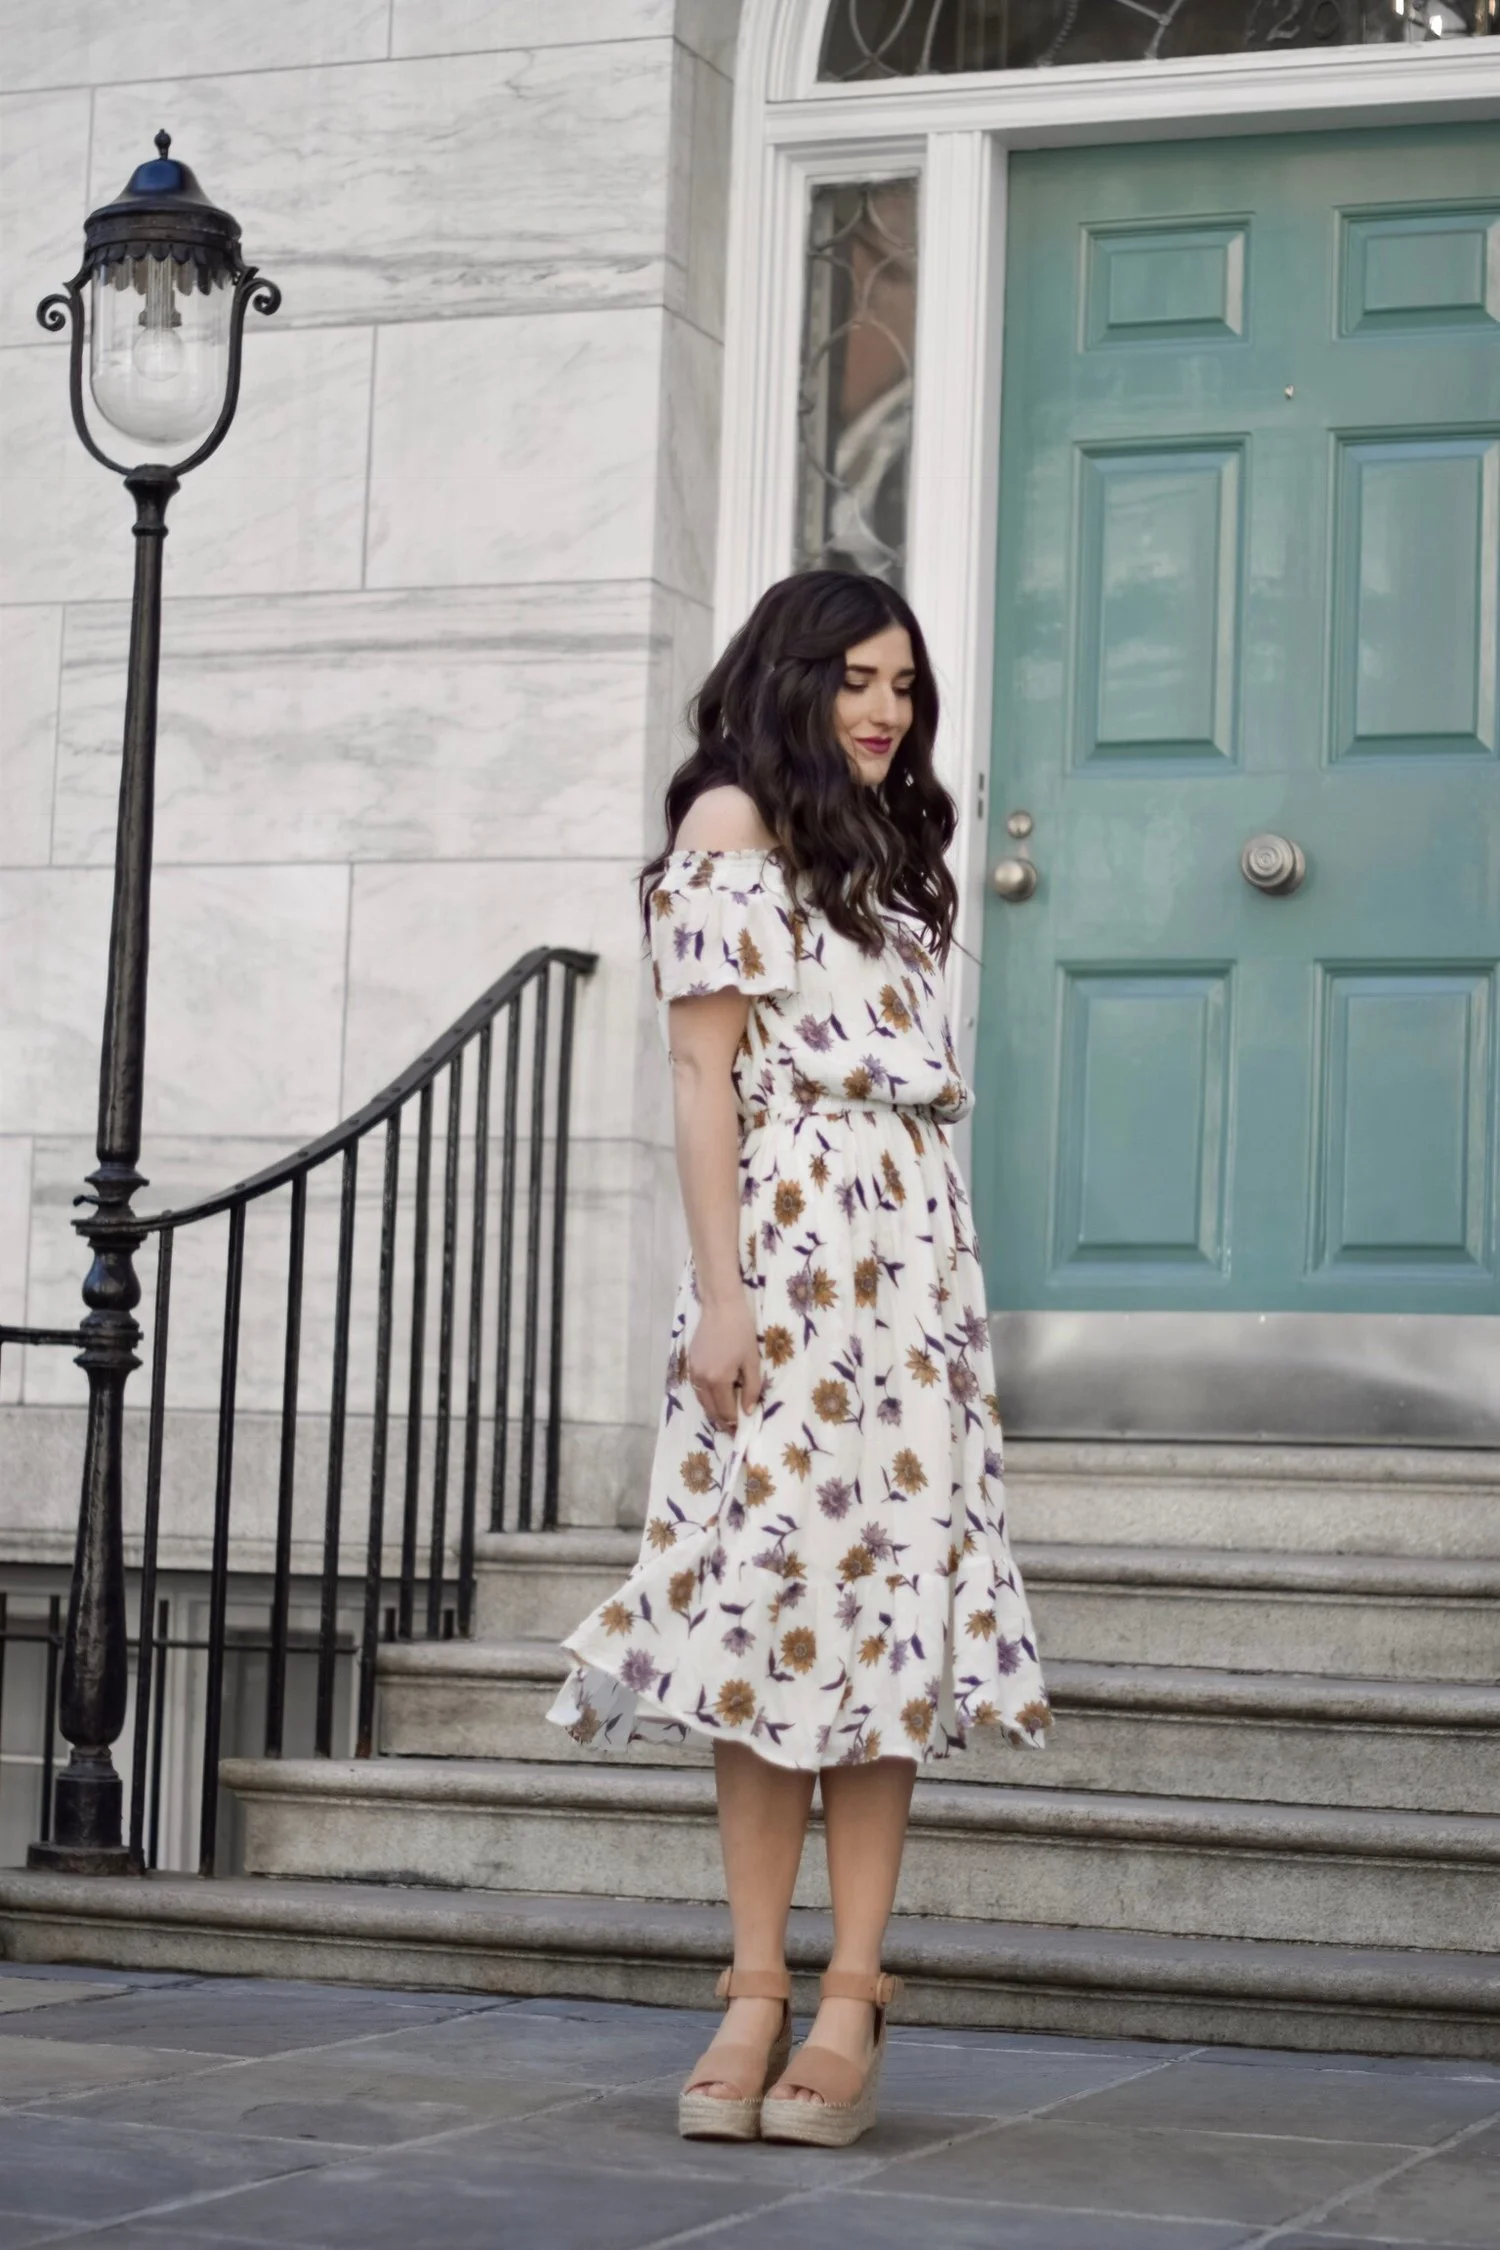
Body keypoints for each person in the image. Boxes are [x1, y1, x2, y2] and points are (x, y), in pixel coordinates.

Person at [547, 568, 1049, 2147]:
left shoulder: (893, 848)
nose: (887, 707)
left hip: (911, 1279)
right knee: (769, 1618)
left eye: (903, 680)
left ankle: (856, 1990)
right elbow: (705, 1080)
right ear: (791, 679)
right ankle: (756, 1982)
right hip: (785, 1267)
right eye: (855, 677)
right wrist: (718, 1295)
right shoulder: (729, 830)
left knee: (892, 1620)